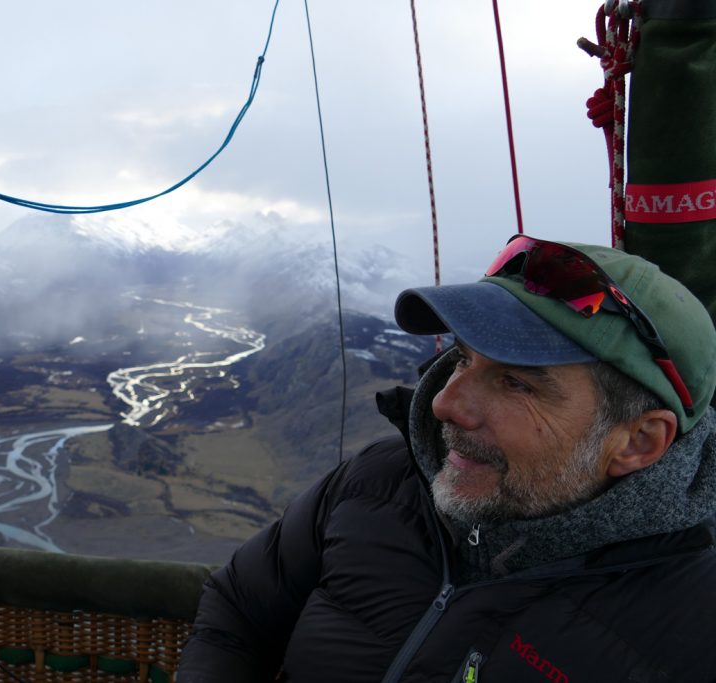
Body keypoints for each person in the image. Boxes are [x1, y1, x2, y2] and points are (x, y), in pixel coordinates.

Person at [177, 235, 716, 682]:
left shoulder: (692, 625)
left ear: (638, 442)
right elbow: (239, 608)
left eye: (517, 384)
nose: (443, 403)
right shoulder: (382, 480)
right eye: (462, 357)